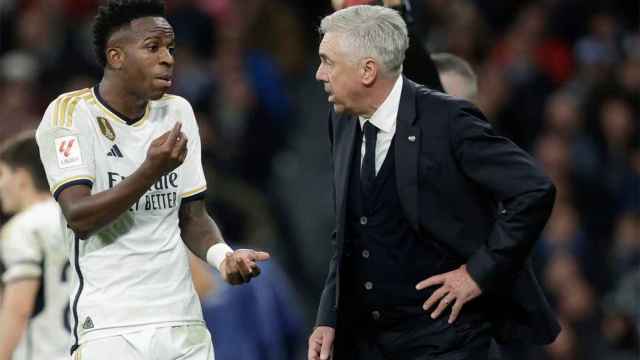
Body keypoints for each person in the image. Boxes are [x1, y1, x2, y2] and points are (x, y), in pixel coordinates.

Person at [308, 5, 559, 360]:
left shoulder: (448, 120)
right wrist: (328, 317)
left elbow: (534, 190)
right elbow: (347, 231)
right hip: (370, 342)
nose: (320, 74)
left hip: (446, 339)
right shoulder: (343, 122)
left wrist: (479, 273)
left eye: (328, 61)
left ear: (367, 70)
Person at [34, 0, 270, 359]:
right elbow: (79, 216)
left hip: (181, 321)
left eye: (170, 48)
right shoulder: (70, 114)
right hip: (110, 328)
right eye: (153, 47)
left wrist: (223, 257)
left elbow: (192, 216)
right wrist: (148, 172)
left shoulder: (177, 111)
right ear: (116, 57)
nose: (168, 58)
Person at [0, 132, 70, 360]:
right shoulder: (78, 217)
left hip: (43, 352)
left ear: (21, 177)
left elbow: (18, 309)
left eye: (1, 174)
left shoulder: (24, 227)